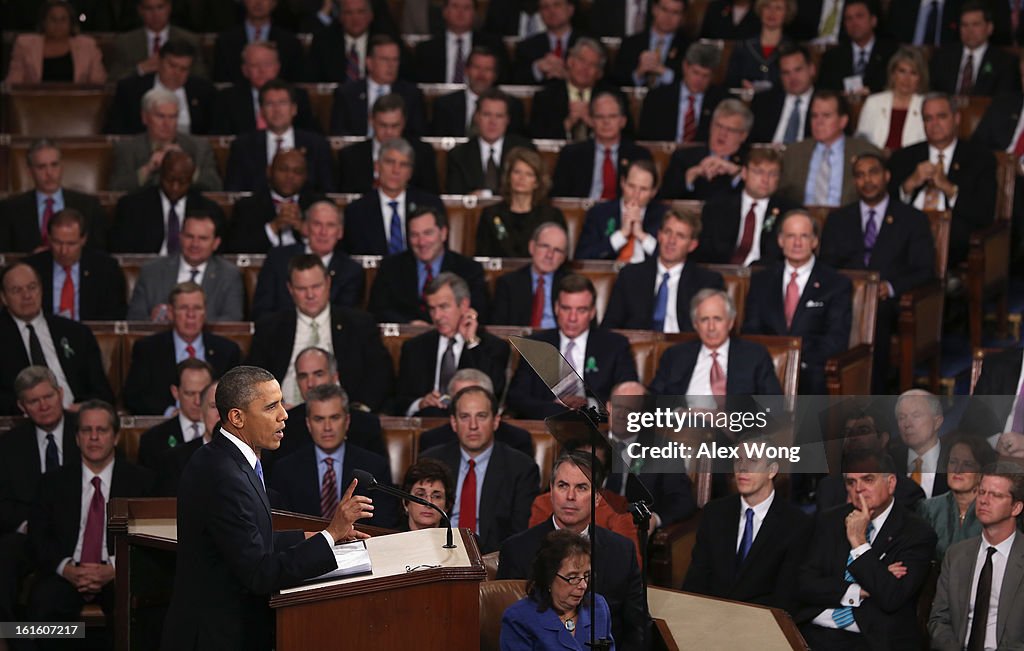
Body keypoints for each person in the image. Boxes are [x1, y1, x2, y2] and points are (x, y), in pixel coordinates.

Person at [161, 365, 373, 651]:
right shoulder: (224, 475)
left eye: (282, 403)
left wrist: (318, 536)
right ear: (237, 416)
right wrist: (331, 534)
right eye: (271, 406)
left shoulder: (226, 458)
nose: (284, 414)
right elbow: (259, 572)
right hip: (217, 636)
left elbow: (245, 542)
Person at [26, 401, 153, 648]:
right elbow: (37, 539)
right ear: (76, 438)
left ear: (115, 436)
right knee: (41, 606)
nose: (93, 437)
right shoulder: (52, 483)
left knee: (141, 611)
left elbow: (148, 539)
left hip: (119, 573)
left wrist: (116, 568)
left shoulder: (142, 482)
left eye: (102, 430)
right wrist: (66, 568)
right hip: (67, 573)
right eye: (86, 430)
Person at [497, 452, 647, 650]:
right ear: (551, 491)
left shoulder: (622, 551)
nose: (570, 496)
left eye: (581, 488)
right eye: (563, 486)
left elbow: (637, 628)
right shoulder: (517, 550)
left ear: (597, 498)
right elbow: (510, 629)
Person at [796, 448, 938, 650]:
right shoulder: (830, 520)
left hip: (870, 639)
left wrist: (859, 542)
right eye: (851, 482)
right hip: (815, 629)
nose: (858, 489)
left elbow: (891, 596)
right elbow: (805, 584)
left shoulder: (916, 532)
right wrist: (860, 591)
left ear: (891, 484)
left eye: (868, 480)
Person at [819, 153, 935, 393]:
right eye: (860, 175)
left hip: (888, 301)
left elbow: (925, 270)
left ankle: (873, 395)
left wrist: (890, 287)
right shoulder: (839, 219)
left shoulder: (912, 219)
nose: (867, 180)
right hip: (844, 295)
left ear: (887, 176)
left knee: (874, 314)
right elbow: (826, 265)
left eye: (873, 172)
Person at [247, 255, 394, 411]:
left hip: (343, 417)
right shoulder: (270, 327)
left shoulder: (359, 324)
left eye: (316, 286)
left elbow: (380, 374)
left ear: (328, 283)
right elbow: (253, 380)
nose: (310, 295)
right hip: (282, 418)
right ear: (290, 289)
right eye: (302, 289)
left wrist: (359, 410)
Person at [683, 435, 811, 614]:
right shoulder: (714, 513)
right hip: (709, 618)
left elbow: (786, 596)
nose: (743, 468)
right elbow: (696, 579)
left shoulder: (796, 523)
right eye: (738, 460)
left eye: (753, 460)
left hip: (762, 625)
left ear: (772, 470)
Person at [0, 367, 79, 634]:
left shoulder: (89, 431)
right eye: (34, 401)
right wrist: (27, 525)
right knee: (5, 557)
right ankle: (11, 638)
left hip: (75, 534)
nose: (44, 406)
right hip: (26, 535)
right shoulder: (9, 446)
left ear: (60, 393)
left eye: (48, 396)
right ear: (22, 406)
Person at [742, 209, 852, 394]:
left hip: (812, 369)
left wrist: (795, 359)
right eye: (791, 236)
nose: (797, 243)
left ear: (815, 241)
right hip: (766, 365)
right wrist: (773, 359)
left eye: (804, 236)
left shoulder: (836, 284)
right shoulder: (762, 280)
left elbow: (836, 338)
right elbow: (751, 329)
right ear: (780, 241)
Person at [419, 386, 540, 553]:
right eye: (464, 417)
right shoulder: (432, 461)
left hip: (494, 560)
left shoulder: (521, 468)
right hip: (436, 554)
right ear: (454, 423)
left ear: (496, 421)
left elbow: (519, 535)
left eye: (481, 416)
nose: (473, 426)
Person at [887, 92, 996, 267]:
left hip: (952, 238)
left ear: (957, 118)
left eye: (941, 116)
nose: (934, 124)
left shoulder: (980, 158)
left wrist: (948, 188)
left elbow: (983, 213)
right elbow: (884, 206)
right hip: (905, 231)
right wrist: (908, 186)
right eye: (928, 118)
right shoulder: (903, 157)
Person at [507, 274, 639, 419]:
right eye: (566, 308)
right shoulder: (535, 345)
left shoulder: (615, 345)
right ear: (556, 308)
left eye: (581, 310)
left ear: (592, 312)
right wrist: (556, 409)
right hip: (547, 424)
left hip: (597, 426)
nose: (572, 318)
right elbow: (516, 398)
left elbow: (629, 397)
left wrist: (588, 404)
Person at [271, 383, 398, 528]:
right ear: (308, 424)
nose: (327, 427)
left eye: (334, 418)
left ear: (347, 421)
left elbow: (385, 525)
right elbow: (282, 527)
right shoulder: (286, 469)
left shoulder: (375, 467)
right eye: (319, 419)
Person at [928, 462, 1024, 650]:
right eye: (981, 492)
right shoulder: (956, 555)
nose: (984, 500)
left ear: (1016, 508)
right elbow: (939, 620)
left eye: (996, 495)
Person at [0, 262, 114, 415]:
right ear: (4, 298)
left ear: (41, 290)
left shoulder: (76, 333)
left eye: (32, 287)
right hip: (24, 423)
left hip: (77, 420)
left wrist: (84, 409)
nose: (26, 296)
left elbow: (102, 393)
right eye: (16, 290)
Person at [395, 273, 508, 417]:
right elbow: (399, 401)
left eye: (443, 307)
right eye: (432, 309)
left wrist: (471, 341)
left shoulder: (492, 346)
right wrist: (420, 403)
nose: (437, 316)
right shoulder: (414, 347)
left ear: (464, 305)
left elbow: (495, 390)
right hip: (429, 421)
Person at [122, 282, 242, 414]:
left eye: (197, 308)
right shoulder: (148, 349)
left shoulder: (227, 351)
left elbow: (238, 397)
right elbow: (133, 397)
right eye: (184, 308)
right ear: (171, 313)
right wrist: (170, 412)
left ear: (205, 312)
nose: (191, 315)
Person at [262, 347, 386, 472]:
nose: (310, 383)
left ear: (335, 377)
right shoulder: (284, 425)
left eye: (318, 374)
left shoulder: (366, 425)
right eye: (303, 376)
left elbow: (378, 477)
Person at [603, 210, 724, 332]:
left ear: (692, 245)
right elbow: (610, 327)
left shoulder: (707, 282)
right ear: (659, 235)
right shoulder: (630, 275)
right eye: (667, 232)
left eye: (680, 236)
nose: (671, 241)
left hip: (685, 347)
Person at [650, 288, 783, 397]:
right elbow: (653, 400)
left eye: (718, 319)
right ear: (695, 324)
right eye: (704, 320)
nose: (711, 327)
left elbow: (774, 406)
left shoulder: (754, 356)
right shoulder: (675, 356)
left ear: (730, 322)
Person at [367, 207, 487, 323]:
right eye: (414, 235)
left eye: (428, 233)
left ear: (443, 233)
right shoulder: (391, 267)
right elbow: (378, 310)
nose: (421, 242)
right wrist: (411, 325)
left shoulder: (469, 269)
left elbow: (477, 311)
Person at [250, 200, 365, 319]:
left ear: (340, 232)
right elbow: (261, 312)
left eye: (330, 225)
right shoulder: (278, 259)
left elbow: (346, 319)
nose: (323, 232)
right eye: (317, 224)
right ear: (305, 228)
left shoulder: (351, 271)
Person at [603, 381, 696, 530]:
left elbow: (682, 500)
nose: (620, 414)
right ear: (608, 407)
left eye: (629, 409)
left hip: (630, 530)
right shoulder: (585, 443)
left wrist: (655, 519)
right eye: (617, 406)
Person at [500, 530, 614, 650]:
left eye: (586, 575)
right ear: (549, 577)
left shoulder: (598, 607)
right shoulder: (518, 618)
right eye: (572, 577)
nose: (583, 585)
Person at [126, 211, 243, 321]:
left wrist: (188, 322)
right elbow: (135, 319)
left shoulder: (229, 275)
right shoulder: (151, 271)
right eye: (189, 236)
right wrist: (153, 320)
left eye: (203, 238)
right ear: (180, 237)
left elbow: (232, 320)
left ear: (216, 243)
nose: (195, 244)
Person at [224, 79, 335, 193]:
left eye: (282, 103)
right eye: (270, 104)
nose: (277, 110)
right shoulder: (243, 146)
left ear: (293, 109)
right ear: (262, 111)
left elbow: (327, 190)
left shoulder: (317, 145)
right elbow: (234, 191)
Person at [692, 147, 798, 265]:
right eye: (759, 172)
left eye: (772, 174)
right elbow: (706, 253)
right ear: (744, 173)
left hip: (768, 275)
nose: (765, 179)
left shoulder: (789, 213)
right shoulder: (717, 207)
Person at [342, 138, 446, 256]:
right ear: (377, 167)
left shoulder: (430, 205)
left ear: (410, 173)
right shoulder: (356, 211)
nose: (396, 170)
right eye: (390, 162)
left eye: (403, 165)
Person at [814, 405, 928, 512]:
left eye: (863, 431)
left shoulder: (908, 492)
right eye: (848, 432)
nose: (853, 437)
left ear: (883, 439)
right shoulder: (828, 488)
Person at [778, 90, 881, 207]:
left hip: (849, 220)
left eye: (826, 116)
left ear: (843, 121)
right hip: (802, 220)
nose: (818, 122)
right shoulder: (794, 152)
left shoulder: (865, 152)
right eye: (814, 116)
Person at [0, 138, 105, 253]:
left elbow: (99, 254)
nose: (49, 173)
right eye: (41, 167)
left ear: (62, 167)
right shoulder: (10, 209)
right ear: (30, 172)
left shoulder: (89, 206)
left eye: (54, 165)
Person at [110, 150, 225, 253]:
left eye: (182, 182)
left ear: (191, 180)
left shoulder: (209, 209)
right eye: (170, 180)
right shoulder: (132, 206)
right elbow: (122, 251)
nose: (175, 187)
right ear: (160, 175)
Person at [109, 87, 222, 192]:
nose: (167, 124)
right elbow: (116, 188)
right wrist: (148, 169)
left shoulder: (200, 147)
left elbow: (215, 187)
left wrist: (187, 167)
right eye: (160, 116)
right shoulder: (127, 148)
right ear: (145, 118)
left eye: (172, 117)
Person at [25, 208, 126, 321]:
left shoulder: (106, 268)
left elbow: (114, 315)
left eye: (71, 244)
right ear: (49, 239)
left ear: (83, 239)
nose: (63, 251)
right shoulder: (31, 268)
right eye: (57, 242)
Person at [550, 92, 652, 199]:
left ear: (623, 121)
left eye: (612, 116)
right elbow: (558, 197)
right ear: (591, 121)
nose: (606, 122)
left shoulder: (639, 155)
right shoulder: (571, 154)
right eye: (599, 117)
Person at [106, 39, 215, 135]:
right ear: (159, 62)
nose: (177, 73)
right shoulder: (130, 90)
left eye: (183, 69)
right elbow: (116, 132)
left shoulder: (204, 91)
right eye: (172, 66)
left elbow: (212, 134)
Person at [226, 149, 325, 253]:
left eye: (298, 171)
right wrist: (273, 227)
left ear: (305, 176)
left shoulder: (320, 205)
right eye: (283, 169)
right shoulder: (247, 206)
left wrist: (305, 230)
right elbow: (235, 247)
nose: (290, 176)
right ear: (269, 171)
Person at [336, 93, 439, 194]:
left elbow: (430, 196)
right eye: (383, 125)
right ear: (371, 121)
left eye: (395, 126)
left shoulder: (422, 153)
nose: (389, 132)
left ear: (404, 122)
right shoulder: (351, 156)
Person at [417, 368, 534, 457]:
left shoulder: (517, 441)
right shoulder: (432, 442)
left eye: (474, 394)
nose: (473, 425)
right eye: (460, 396)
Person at [211, 41, 318, 135]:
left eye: (267, 64)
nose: (262, 70)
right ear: (245, 70)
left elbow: (311, 136)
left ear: (277, 67)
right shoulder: (227, 99)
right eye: (254, 65)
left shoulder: (298, 96)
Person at [330, 35, 426, 137]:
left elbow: (417, 135)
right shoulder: (347, 93)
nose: (391, 65)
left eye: (395, 60)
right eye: (384, 59)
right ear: (369, 63)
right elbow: (339, 134)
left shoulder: (412, 94)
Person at [529, 39, 625, 141]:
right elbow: (536, 136)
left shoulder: (614, 97)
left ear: (599, 73)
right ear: (570, 62)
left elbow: (627, 137)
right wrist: (567, 124)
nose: (585, 68)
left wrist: (594, 124)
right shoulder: (546, 96)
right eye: (582, 60)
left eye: (592, 64)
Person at [476, 148, 565, 259]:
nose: (521, 178)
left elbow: (559, 257)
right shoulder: (491, 214)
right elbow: (482, 255)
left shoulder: (551, 216)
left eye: (529, 174)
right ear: (509, 177)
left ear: (537, 182)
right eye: (517, 172)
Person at [917, 434, 995, 560]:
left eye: (968, 464)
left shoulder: (995, 511)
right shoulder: (928, 509)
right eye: (953, 462)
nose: (958, 470)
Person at [657, 99, 752, 201]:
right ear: (711, 126)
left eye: (730, 130)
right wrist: (691, 175)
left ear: (743, 135)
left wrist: (735, 173)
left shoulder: (750, 162)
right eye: (719, 126)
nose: (722, 133)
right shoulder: (684, 157)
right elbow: (665, 198)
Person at [575, 159, 666, 262]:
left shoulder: (664, 216)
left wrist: (641, 235)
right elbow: (582, 257)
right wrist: (622, 234)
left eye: (643, 189)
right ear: (622, 183)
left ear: (653, 192)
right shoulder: (599, 213)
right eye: (631, 186)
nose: (636, 194)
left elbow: (674, 258)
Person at [445, 89, 534, 196]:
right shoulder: (458, 154)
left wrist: (487, 194)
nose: (492, 122)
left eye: (499, 116)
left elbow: (532, 191)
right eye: (487, 115)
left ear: (507, 120)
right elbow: (455, 195)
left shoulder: (524, 150)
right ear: (477, 117)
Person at [430, 46, 527, 137]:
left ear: (495, 75)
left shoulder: (512, 105)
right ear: (466, 70)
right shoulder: (445, 105)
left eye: (488, 69)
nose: (481, 75)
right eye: (476, 67)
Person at [929, 2, 1020, 97]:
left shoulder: (1005, 63)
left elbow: (1004, 100)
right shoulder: (942, 58)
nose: (970, 31)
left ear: (989, 28)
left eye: (976, 25)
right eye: (964, 25)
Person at [136, 359, 213, 469]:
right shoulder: (153, 440)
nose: (197, 401)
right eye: (190, 393)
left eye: (202, 394)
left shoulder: (225, 434)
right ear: (175, 392)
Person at [5, 1, 106, 84]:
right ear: (44, 22)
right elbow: (14, 83)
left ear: (71, 23)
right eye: (53, 19)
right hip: (33, 104)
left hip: (78, 105)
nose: (58, 24)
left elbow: (98, 83)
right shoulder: (24, 45)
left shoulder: (88, 45)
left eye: (63, 19)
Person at [491, 222, 570, 327]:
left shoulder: (573, 285)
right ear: (532, 247)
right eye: (545, 246)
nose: (549, 255)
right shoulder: (508, 284)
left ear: (563, 257)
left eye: (557, 250)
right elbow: (498, 329)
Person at [107, 0, 206, 81]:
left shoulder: (189, 39)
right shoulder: (126, 42)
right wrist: (141, 69)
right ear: (140, 10)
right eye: (149, 8)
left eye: (160, 7)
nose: (155, 14)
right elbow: (113, 80)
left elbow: (201, 77)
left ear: (169, 8)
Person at [816, 0, 898, 96]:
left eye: (859, 16)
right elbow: (824, 91)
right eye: (849, 18)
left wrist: (871, 92)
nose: (854, 23)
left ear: (873, 21)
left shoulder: (892, 54)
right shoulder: (832, 57)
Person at [412, 0, 506, 84]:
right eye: (455, 6)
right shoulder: (426, 49)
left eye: (467, 7)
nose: (460, 12)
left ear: (474, 13)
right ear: (444, 12)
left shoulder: (493, 46)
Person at [154, 378, 220, 495]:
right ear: (201, 413)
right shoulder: (174, 460)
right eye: (214, 406)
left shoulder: (256, 458)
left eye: (228, 407)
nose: (220, 414)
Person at [854, 46, 928, 150]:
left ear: (920, 78)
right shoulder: (874, 102)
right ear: (893, 74)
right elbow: (861, 140)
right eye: (902, 71)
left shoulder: (926, 105)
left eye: (913, 73)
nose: (906, 79)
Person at [212, 0, 304, 83]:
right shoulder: (225, 40)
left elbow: (295, 80)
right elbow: (221, 80)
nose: (258, 2)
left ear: (274, 3)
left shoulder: (290, 42)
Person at [611, 0, 690, 88]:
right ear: (654, 9)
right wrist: (638, 73)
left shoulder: (688, 47)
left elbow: (690, 82)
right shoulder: (630, 43)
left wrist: (663, 71)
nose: (668, 17)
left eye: (675, 12)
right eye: (664, 10)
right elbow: (616, 80)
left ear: (682, 17)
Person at [748, 43, 815, 144]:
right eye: (786, 72)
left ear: (811, 69)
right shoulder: (763, 102)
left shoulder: (826, 103)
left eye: (798, 70)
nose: (793, 78)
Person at [724, 0, 795, 92]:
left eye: (778, 8)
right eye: (767, 7)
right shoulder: (743, 46)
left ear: (787, 13)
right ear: (760, 10)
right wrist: (742, 83)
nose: (772, 12)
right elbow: (730, 81)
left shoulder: (792, 48)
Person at [511, 0, 578, 84]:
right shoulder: (526, 46)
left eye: (557, 5)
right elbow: (517, 79)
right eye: (545, 7)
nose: (551, 11)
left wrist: (569, 76)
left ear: (570, 9)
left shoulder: (588, 43)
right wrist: (537, 69)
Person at [400, 458, 455, 531]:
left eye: (436, 496)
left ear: (447, 506)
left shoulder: (458, 541)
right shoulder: (388, 540)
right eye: (420, 494)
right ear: (405, 503)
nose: (428, 502)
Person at [888, 0, 962, 46]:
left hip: (945, 63)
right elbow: (890, 38)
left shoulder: (960, 6)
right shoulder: (901, 3)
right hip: (907, 59)